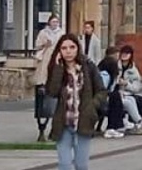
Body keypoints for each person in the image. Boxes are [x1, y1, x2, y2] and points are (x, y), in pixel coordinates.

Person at [46, 34, 107, 170]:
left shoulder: (88, 67)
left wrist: (92, 106)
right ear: (59, 51)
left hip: (83, 122)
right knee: (65, 164)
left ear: (78, 48)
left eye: (72, 47)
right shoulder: (56, 69)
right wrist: (58, 68)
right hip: (63, 124)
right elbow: (52, 92)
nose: (68, 51)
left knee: (81, 165)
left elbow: (102, 91)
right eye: (64, 48)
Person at [116, 46, 142, 132]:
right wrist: (118, 82)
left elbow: (136, 88)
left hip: (128, 93)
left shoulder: (133, 70)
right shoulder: (115, 66)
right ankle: (140, 122)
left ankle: (141, 123)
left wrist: (126, 84)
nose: (124, 55)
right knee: (131, 101)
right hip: (117, 93)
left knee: (139, 100)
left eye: (127, 53)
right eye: (123, 53)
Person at [34, 14, 65, 88]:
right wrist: (45, 44)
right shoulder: (43, 32)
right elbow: (37, 45)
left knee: (55, 70)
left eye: (56, 22)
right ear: (49, 22)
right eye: (53, 22)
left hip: (57, 54)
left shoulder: (61, 33)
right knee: (44, 72)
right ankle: (44, 85)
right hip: (46, 55)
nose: (55, 24)